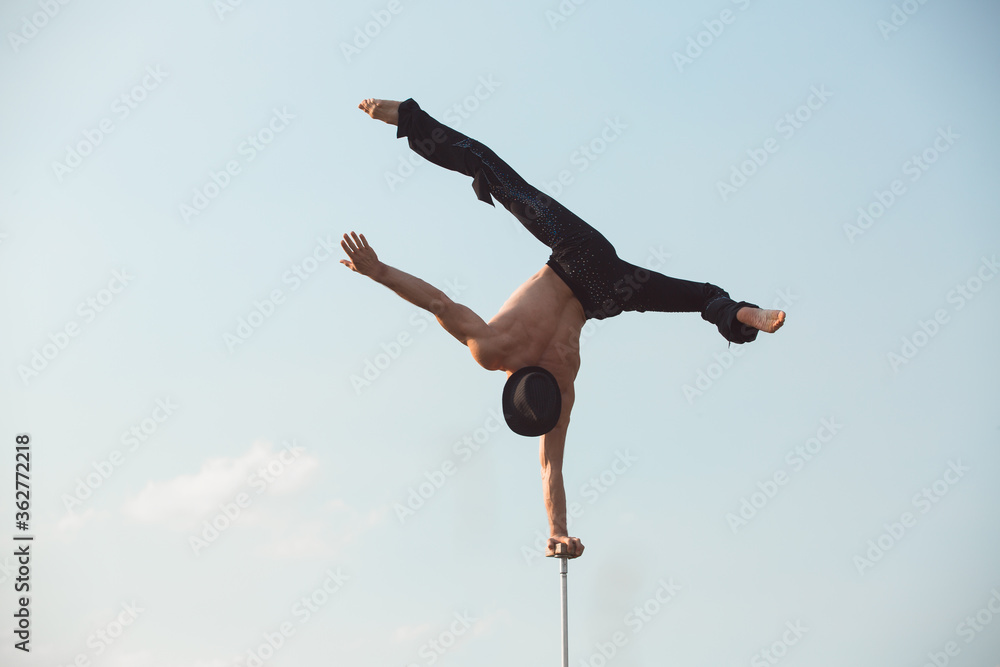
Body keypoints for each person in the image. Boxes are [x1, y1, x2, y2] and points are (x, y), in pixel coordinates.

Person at [341, 98, 786, 559]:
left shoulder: (560, 384)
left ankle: (738, 315)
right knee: (489, 168)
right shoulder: (494, 350)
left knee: (696, 296)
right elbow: (437, 301)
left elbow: (550, 467)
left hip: (609, 292)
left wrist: (558, 530)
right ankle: (406, 118)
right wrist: (379, 271)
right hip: (579, 255)